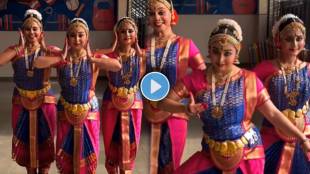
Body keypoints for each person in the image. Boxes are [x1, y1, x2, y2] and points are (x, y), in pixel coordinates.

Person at [157, 18, 310, 174]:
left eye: (227, 53)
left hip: (248, 153)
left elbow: (273, 114)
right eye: (215, 51)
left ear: (237, 51)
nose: (221, 59)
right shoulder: (195, 79)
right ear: (209, 50)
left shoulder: (249, 80)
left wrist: (302, 139)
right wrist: (184, 108)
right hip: (212, 151)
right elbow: (162, 102)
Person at [34, 18, 121, 174]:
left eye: (81, 35)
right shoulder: (60, 58)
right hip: (65, 110)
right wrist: (61, 58)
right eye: (72, 35)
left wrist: (92, 59)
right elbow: (38, 63)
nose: (77, 39)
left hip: (89, 110)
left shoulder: (94, 57)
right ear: (67, 38)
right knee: (64, 150)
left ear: (87, 37)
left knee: (89, 151)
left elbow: (117, 66)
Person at [145, 0, 206, 173]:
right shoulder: (143, 45)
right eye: (151, 13)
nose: (156, 17)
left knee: (171, 162)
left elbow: (204, 75)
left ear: (171, 14)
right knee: (151, 163)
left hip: (176, 112)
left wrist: (195, 98)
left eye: (161, 12)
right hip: (148, 111)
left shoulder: (186, 45)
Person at [0, 9, 57, 174]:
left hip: (45, 101)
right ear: (22, 31)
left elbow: (69, 58)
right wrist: (18, 48)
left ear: (41, 32)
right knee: (24, 140)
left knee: (45, 140)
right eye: (27, 29)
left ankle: (44, 171)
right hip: (21, 101)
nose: (31, 32)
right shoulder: (15, 51)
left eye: (35, 29)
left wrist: (46, 50)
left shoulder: (49, 50)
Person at [253, 14, 310, 173]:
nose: (294, 44)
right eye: (289, 38)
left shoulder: (308, 68)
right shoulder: (265, 68)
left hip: (305, 131)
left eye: (299, 38)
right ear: (278, 40)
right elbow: (244, 89)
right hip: (272, 133)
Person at [100, 17, 145, 174]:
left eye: (130, 31)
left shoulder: (142, 56)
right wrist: (112, 47)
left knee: (131, 140)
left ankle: (127, 170)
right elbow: (93, 55)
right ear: (116, 34)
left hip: (134, 102)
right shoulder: (109, 56)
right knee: (111, 138)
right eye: (122, 31)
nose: (127, 34)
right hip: (111, 101)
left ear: (136, 34)